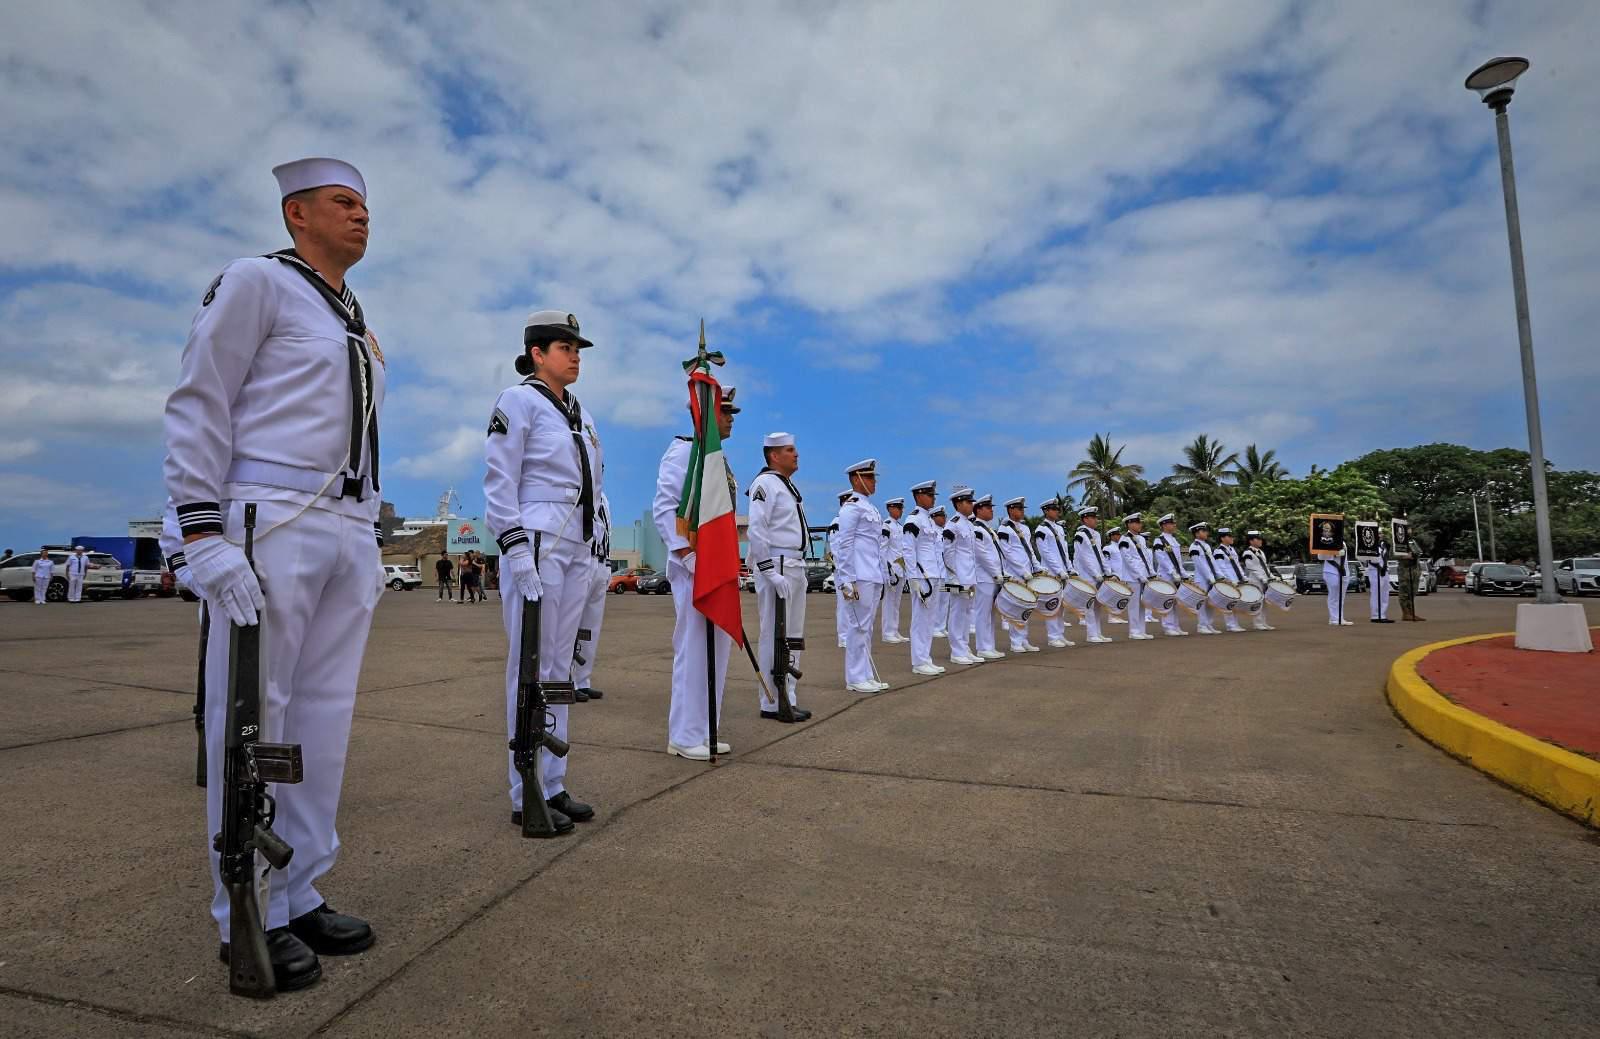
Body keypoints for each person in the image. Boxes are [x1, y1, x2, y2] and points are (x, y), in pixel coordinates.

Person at [163, 157, 384, 991]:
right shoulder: (257, 281)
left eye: (365, 205)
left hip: (347, 524)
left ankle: (298, 888)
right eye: (343, 202)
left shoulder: (352, 314)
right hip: (272, 516)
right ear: (297, 213)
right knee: (255, 715)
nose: (361, 215)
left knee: (323, 719)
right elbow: (200, 397)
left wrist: (366, 531)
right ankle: (245, 909)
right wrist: (200, 531)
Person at [484, 308, 603, 832]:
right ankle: (523, 789)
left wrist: (594, 539)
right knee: (529, 664)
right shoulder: (519, 401)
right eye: (564, 348)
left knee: (559, 668)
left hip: (574, 542)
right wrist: (512, 544)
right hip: (536, 539)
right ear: (537, 353)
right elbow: (499, 476)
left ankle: (553, 783)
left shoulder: (581, 413)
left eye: (577, 349)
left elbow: (593, 483)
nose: (575, 357)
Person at [654, 384, 740, 760]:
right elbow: (665, 509)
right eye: (724, 412)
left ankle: (706, 729)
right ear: (704, 414)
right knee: (693, 649)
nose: (730, 419)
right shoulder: (684, 453)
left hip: (716, 567)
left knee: (716, 650)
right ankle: (684, 735)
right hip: (693, 567)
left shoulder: (716, 458)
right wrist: (687, 554)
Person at [746, 432, 815, 718]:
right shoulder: (765, 483)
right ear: (774, 455)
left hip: (794, 564)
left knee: (792, 636)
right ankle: (772, 701)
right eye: (789, 450)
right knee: (773, 635)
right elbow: (757, 528)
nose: (796, 454)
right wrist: (768, 570)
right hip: (778, 564)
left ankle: (788, 696)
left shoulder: (786, 485)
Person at [836, 459, 891, 692]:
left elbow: (876, 546)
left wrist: (883, 574)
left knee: (866, 628)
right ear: (856, 479)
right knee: (857, 627)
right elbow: (844, 544)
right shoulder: (851, 507)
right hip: (859, 575)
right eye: (868, 477)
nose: (873, 482)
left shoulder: (870, 507)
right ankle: (855, 678)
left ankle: (866, 674)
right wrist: (846, 579)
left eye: (873, 477)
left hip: (873, 574)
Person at [571, 491, 611, 702]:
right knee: (571, 625)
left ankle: (583, 680)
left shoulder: (603, 497)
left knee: (590, 628)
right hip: (584, 560)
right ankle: (566, 680)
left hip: (601, 563)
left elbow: (606, 532)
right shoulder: (581, 490)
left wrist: (608, 566)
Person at [903, 480, 946, 676]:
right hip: (922, 576)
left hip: (933, 574)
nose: (933, 499)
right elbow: (908, 549)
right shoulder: (913, 519)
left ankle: (925, 658)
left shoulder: (928, 520)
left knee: (929, 620)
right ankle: (919, 661)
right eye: (929, 495)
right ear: (919, 496)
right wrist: (912, 577)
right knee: (920, 620)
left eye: (933, 495)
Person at [942, 486, 984, 667]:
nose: (971, 504)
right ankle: (957, 651)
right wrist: (954, 576)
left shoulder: (968, 524)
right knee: (957, 614)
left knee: (967, 614)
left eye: (971, 501)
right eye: (968, 502)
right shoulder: (953, 524)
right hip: (958, 577)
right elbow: (947, 553)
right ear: (958, 504)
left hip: (969, 576)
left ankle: (965, 648)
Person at [996, 496, 1042, 653]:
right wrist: (1022, 571)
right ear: (1011, 510)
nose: (1022, 511)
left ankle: (1024, 639)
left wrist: (1036, 566)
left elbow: (1029, 550)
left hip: (1027, 572)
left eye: (1023, 508)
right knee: (1015, 607)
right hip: (1014, 573)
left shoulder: (1025, 529)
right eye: (1019, 508)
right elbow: (1007, 553)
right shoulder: (1004, 529)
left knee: (1025, 607)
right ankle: (1015, 642)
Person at [1031, 499, 1075, 648]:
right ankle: (1053, 637)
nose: (1057, 512)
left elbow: (1064, 551)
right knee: (1052, 605)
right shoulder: (1041, 530)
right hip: (1051, 572)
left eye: (1057, 509)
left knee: (1061, 606)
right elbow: (1046, 553)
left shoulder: (1059, 529)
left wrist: (1069, 567)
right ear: (1046, 511)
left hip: (1062, 571)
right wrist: (1059, 570)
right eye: (1054, 509)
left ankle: (1060, 635)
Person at [970, 494, 1006, 660]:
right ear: (978, 510)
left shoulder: (988, 529)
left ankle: (989, 646)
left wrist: (1000, 573)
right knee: (982, 614)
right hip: (984, 577)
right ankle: (982, 647)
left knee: (990, 614)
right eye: (988, 507)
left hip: (993, 577)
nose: (991, 510)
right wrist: (995, 573)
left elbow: (997, 554)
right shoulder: (977, 529)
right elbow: (982, 555)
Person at [1071, 506, 1111, 643]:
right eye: (1093, 517)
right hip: (1087, 575)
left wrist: (1107, 570)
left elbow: (1099, 554)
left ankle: (1098, 633)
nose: (1096, 520)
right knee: (1089, 605)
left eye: (1095, 517)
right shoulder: (1080, 535)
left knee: (1098, 605)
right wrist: (1094, 573)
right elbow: (1083, 557)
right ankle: (1091, 634)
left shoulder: (1096, 534)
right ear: (1085, 519)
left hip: (1099, 573)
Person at [1118, 514, 1157, 640]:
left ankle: (1141, 630)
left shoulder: (1141, 539)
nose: (1140, 525)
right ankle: (1134, 631)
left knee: (1142, 604)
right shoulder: (1124, 539)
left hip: (1144, 575)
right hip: (1132, 577)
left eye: (1139, 522)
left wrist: (1151, 573)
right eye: (1136, 522)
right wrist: (1139, 575)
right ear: (1129, 524)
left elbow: (1145, 557)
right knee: (1134, 605)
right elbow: (1128, 560)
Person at [1150, 513, 1189, 637]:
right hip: (1166, 575)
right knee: (1167, 601)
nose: (1174, 525)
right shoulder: (1159, 540)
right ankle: (1168, 626)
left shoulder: (1174, 540)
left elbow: (1178, 560)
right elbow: (1161, 558)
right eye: (1171, 523)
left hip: (1176, 575)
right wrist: (1172, 571)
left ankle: (1176, 626)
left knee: (1175, 602)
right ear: (1164, 525)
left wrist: (1183, 573)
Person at [880, 497, 908, 643]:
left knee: (896, 603)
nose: (901, 511)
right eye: (898, 508)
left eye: (902, 508)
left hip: (901, 569)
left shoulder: (900, 527)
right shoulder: (886, 526)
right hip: (891, 570)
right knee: (889, 603)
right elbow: (882, 550)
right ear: (891, 509)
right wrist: (887, 572)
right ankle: (887, 633)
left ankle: (894, 630)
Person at [1187, 523, 1222, 634]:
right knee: (1202, 603)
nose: (1206, 533)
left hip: (1212, 578)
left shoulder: (1206, 546)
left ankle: (1209, 624)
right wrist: (1209, 577)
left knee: (1211, 603)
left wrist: (1219, 575)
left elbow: (1212, 562)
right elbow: (1200, 564)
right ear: (1197, 534)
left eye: (1206, 531)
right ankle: (1202, 625)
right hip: (1202, 579)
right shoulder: (1194, 547)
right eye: (1203, 531)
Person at [1211, 528, 1247, 633]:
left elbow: (1237, 565)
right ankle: (1230, 625)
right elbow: (1221, 567)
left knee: (1235, 603)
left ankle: (1235, 624)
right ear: (1222, 538)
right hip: (1229, 580)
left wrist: (1243, 577)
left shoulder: (1231, 549)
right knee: (1229, 603)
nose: (1232, 538)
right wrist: (1228, 580)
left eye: (1231, 536)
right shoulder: (1218, 551)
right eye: (1229, 536)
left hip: (1236, 579)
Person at [828, 489, 852, 648]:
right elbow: (836, 549)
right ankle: (843, 637)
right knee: (844, 603)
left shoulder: (851, 522)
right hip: (842, 570)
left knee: (853, 604)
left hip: (853, 570)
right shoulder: (837, 523)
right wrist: (844, 569)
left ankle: (851, 634)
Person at [1240, 530, 1276, 631]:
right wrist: (1262, 579)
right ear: (1251, 541)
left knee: (1264, 602)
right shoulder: (1247, 553)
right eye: (1258, 539)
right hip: (1255, 580)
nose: (1260, 541)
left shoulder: (1261, 552)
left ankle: (1263, 622)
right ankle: (1257, 623)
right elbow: (1251, 568)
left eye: (1260, 539)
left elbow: (1264, 566)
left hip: (1264, 580)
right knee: (1258, 602)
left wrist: (1271, 576)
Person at [1396, 529, 1426, 623]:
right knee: (1404, 592)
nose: (1410, 531)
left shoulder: (1412, 541)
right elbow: (1392, 554)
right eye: (1407, 529)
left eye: (1410, 529)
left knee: (1412, 592)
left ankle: (1411, 613)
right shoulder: (1398, 541)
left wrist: (1413, 554)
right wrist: (1404, 556)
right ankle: (1405, 613)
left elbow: (1419, 552)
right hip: (1405, 570)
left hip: (1414, 570)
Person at [1324, 543, 1355, 626]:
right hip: (1331, 570)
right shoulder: (1330, 541)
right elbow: (1325, 557)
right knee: (1333, 596)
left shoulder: (1343, 542)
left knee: (1341, 597)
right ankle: (1334, 619)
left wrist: (1344, 570)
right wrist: (1339, 567)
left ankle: (1340, 617)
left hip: (1343, 571)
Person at [1368, 532, 1394, 623]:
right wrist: (1380, 568)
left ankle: (1382, 614)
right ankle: (1375, 615)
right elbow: (1370, 560)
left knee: (1384, 593)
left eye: (1381, 533)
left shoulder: (1383, 545)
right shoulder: (1370, 545)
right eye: (1378, 533)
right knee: (1376, 593)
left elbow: (1386, 557)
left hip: (1384, 570)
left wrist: (1384, 568)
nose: (1380, 535)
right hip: (1375, 570)